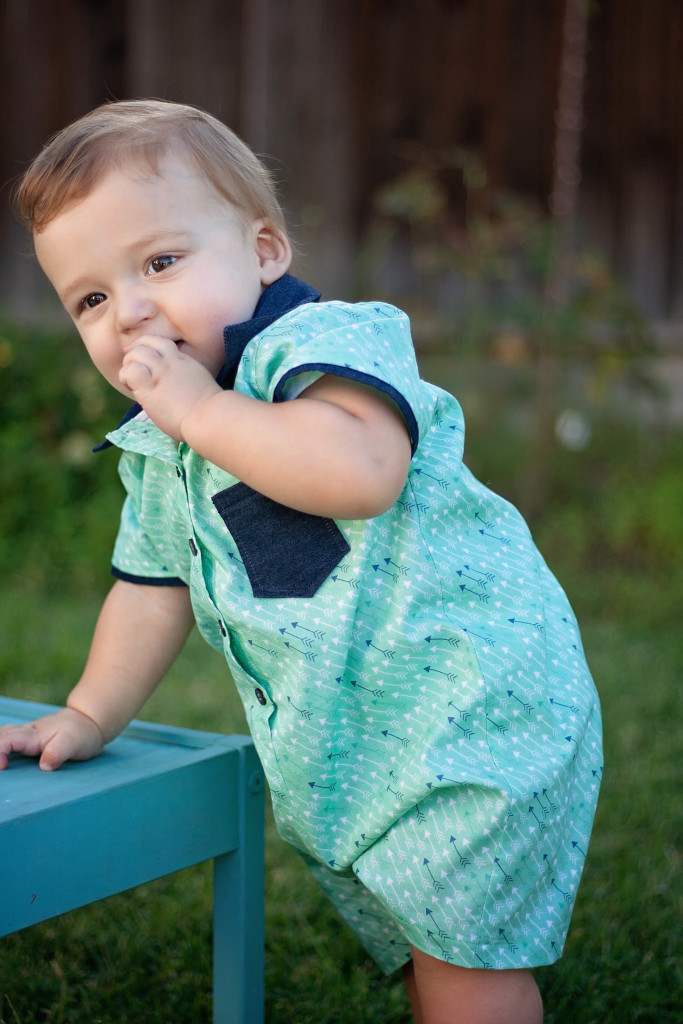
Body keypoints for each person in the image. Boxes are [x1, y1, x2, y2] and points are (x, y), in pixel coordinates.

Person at [0, 99, 602, 1024]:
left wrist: (202, 411)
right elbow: (149, 589)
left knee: (463, 966)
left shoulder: (322, 346)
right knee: (423, 944)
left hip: (475, 702)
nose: (131, 313)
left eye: (160, 262)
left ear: (265, 253)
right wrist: (87, 712)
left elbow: (360, 471)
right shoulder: (163, 445)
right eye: (91, 298)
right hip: (363, 746)